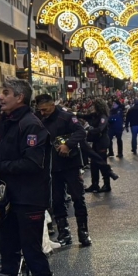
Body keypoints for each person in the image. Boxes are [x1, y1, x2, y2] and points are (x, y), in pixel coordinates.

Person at [0, 78, 55, 276]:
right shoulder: (4, 122)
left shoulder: (32, 125)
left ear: (20, 97)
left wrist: (0, 168)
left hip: (29, 200)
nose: (0, 97)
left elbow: (32, 163)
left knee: (32, 251)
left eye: (6, 93)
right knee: (8, 251)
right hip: (8, 199)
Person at [35, 94, 91, 248]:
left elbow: (81, 132)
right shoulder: (40, 120)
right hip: (52, 166)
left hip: (70, 164)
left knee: (78, 198)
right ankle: (64, 232)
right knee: (57, 200)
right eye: (40, 110)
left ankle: (83, 231)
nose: (42, 113)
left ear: (52, 104)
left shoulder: (66, 117)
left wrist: (68, 144)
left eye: (45, 109)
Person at [83, 99, 118, 193]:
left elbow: (100, 129)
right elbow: (84, 116)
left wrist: (88, 130)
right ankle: (95, 184)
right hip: (96, 142)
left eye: (93, 106)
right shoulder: (95, 115)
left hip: (102, 143)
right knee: (94, 164)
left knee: (101, 163)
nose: (92, 108)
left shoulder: (103, 117)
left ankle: (107, 184)